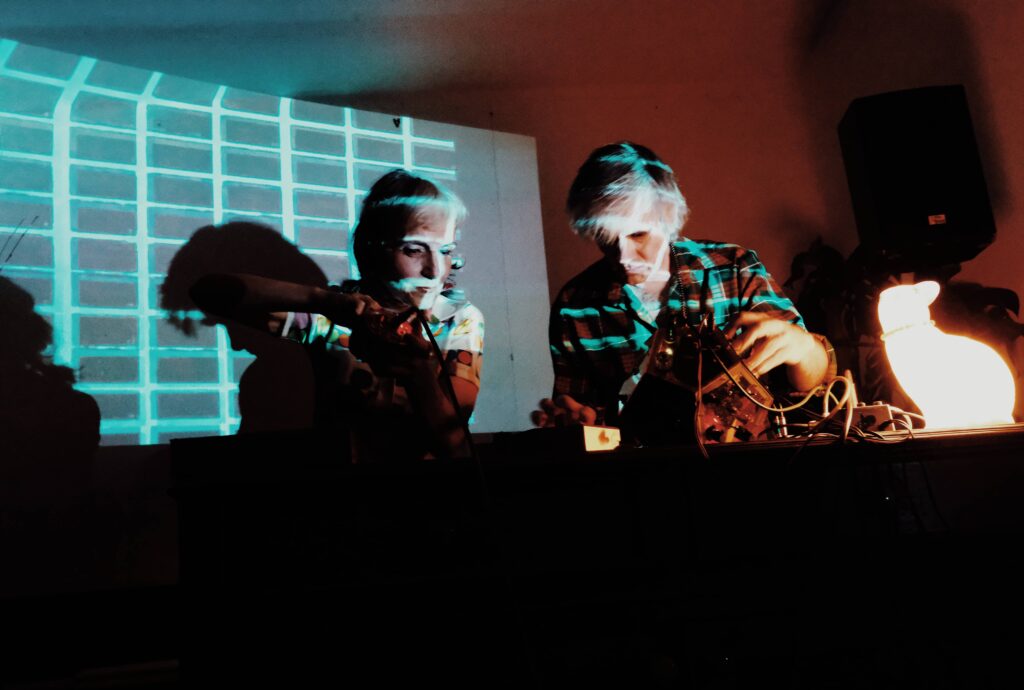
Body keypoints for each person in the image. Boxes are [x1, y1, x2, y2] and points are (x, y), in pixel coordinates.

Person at [533, 141, 834, 432]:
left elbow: (814, 382)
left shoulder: (733, 268)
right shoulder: (574, 307)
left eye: (638, 235)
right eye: (606, 239)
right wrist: (579, 424)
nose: (624, 257)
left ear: (668, 219)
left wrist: (806, 350)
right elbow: (582, 418)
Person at [190, 170, 484, 459]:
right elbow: (208, 292)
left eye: (446, 251)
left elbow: (454, 445)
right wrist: (322, 300)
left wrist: (418, 373)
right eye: (414, 250)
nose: (434, 270)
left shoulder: (459, 319)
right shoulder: (336, 314)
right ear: (372, 249)